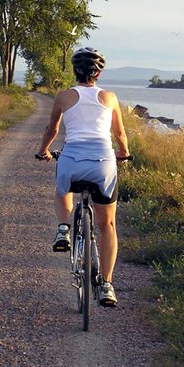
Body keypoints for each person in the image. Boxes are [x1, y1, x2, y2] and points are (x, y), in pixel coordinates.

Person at [35, 47, 131, 307]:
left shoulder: (64, 96)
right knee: (107, 226)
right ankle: (107, 285)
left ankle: (64, 228)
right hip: (103, 165)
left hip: (72, 161)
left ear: (74, 71)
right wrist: (124, 152)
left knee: (62, 188)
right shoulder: (109, 97)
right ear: (98, 73)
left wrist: (43, 151)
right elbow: (120, 134)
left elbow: (52, 128)